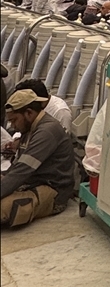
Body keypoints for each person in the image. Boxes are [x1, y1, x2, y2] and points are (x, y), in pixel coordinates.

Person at [1, 89, 75, 227]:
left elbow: (22, 171)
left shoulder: (46, 131)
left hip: (53, 191)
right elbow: (16, 167)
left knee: (4, 207)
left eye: (14, 120)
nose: (12, 126)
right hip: (31, 182)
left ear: (29, 113)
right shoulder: (29, 128)